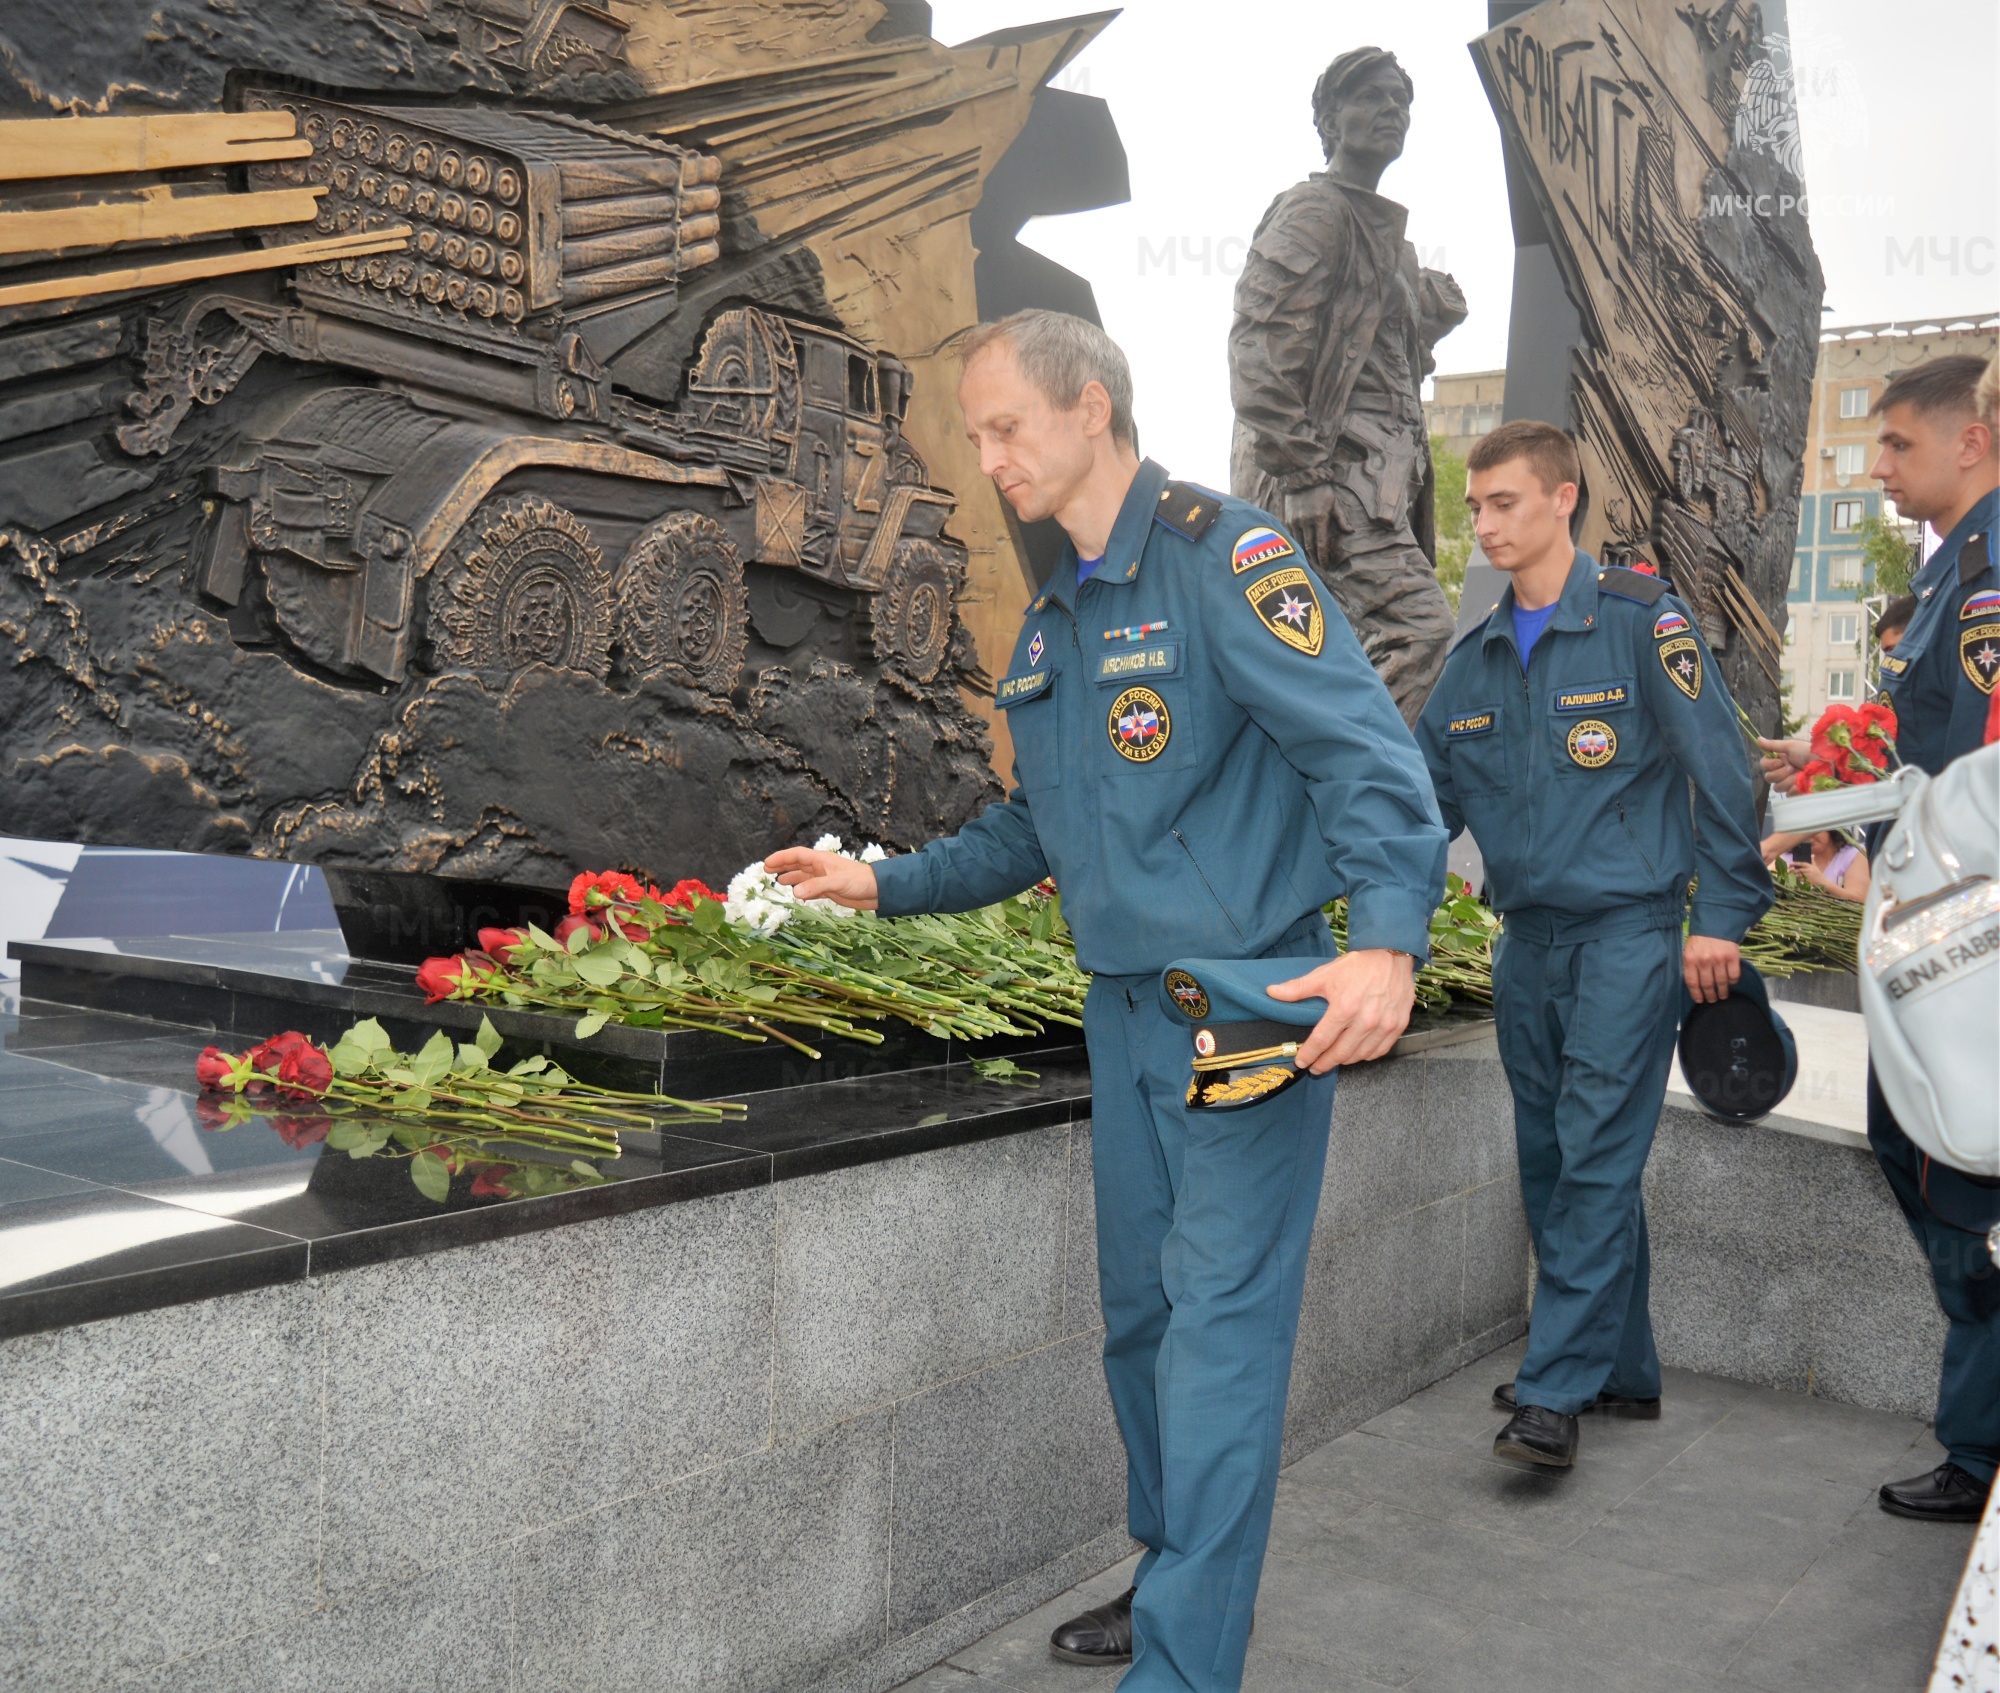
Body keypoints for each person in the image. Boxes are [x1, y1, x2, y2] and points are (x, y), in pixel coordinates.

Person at [765, 309, 1447, 1691]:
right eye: (980, 434)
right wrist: (879, 887)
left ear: (1093, 408)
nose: (990, 456)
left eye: (1006, 425)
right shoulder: (1066, 609)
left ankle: (1183, 1667)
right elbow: (1041, 829)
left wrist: (1387, 939)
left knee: (1216, 1340)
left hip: (1248, 1009)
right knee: (1142, 1322)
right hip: (1126, 1016)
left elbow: (1366, 751)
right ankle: (1167, 1583)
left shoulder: (1222, 557)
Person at [1415, 420, 1770, 1469]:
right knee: (1552, 1153)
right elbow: (1410, 806)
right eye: (1474, 507)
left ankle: (1552, 1389)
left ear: (1562, 499)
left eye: (1503, 503)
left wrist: (1718, 917)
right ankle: (1620, 1367)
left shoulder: (1636, 622)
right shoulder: (1473, 657)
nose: (1482, 525)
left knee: (1595, 1155)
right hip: (1527, 942)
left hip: (1626, 933)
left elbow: (1723, 767)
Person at [1761, 353, 1999, 1524]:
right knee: (1919, 1144)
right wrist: (1826, 780)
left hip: (1966, 926)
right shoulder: (1950, 565)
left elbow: (1970, 776)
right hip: (1938, 910)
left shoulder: (1990, 569)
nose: (1877, 464)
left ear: (1970, 439)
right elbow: (1919, 748)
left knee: (1951, 1165)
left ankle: (1979, 1437)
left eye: (1896, 443)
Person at [1227, 47, 1465, 725]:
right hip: (1335, 485)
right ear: (1330, 120)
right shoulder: (1314, 211)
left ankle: (1339, 805)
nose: (1392, 112)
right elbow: (1260, 346)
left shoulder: (1384, 234)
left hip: (1382, 489)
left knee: (1342, 659)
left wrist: (1429, 307)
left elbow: (1376, 349)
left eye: (1401, 102)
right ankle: (1359, 795)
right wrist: (1302, 474)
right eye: (1371, 98)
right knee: (1421, 633)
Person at [1757, 828, 1870, 903]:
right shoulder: (1783, 858)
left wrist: (1822, 882)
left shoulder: (1854, 854)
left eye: (1813, 831)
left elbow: (1860, 900)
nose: (1807, 838)